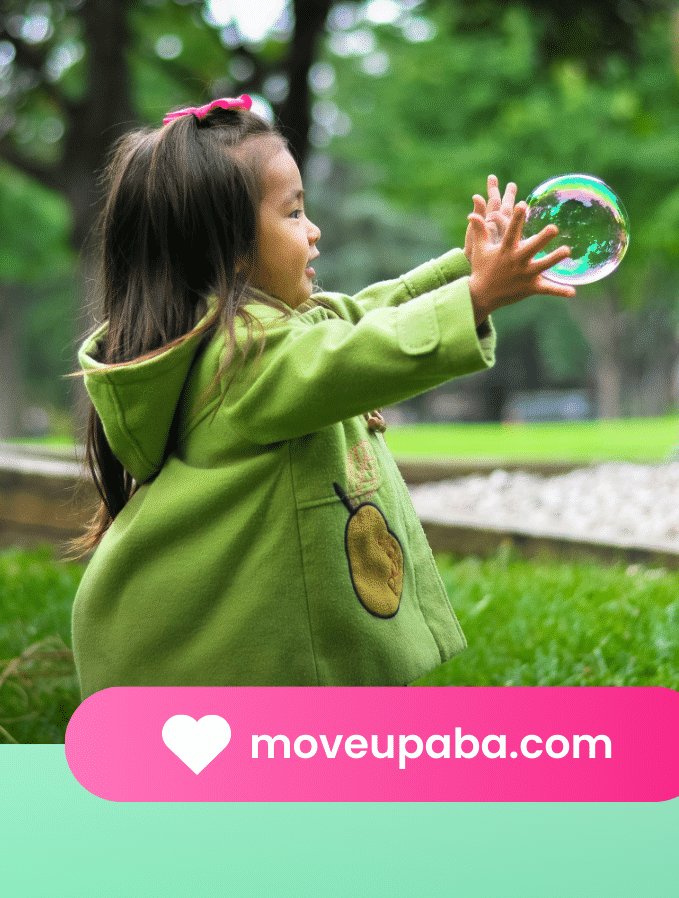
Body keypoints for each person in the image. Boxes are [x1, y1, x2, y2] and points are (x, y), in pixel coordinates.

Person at [67, 97, 574, 693]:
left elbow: (360, 316)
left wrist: (467, 270)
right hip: (247, 676)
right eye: (291, 213)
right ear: (227, 248)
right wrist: (477, 298)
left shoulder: (266, 332)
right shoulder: (241, 360)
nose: (313, 231)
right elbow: (357, 353)